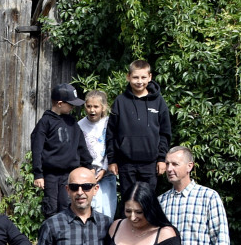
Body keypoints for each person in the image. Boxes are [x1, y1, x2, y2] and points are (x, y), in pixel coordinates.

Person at [106, 59, 172, 208]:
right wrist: (112, 160)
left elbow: (165, 133)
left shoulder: (159, 102)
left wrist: (162, 158)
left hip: (150, 164)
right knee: (128, 203)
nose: (139, 81)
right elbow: (111, 133)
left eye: (143, 77)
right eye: (135, 77)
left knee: (147, 204)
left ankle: (147, 231)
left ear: (150, 77)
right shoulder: (120, 101)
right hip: (126, 164)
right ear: (128, 77)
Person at [31, 83, 92, 218]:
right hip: (51, 174)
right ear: (59, 103)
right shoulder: (45, 122)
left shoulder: (72, 122)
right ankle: (51, 236)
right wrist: (38, 174)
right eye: (70, 104)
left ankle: (66, 235)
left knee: (67, 205)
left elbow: (81, 145)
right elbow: (37, 149)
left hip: (69, 174)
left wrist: (88, 165)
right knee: (51, 207)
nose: (72, 107)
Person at [77, 90, 117, 218]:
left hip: (106, 173)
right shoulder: (80, 125)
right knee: (91, 210)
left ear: (103, 107)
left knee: (108, 211)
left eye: (96, 107)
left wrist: (105, 168)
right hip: (88, 174)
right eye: (89, 106)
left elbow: (112, 146)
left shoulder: (109, 123)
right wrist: (88, 170)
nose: (92, 110)